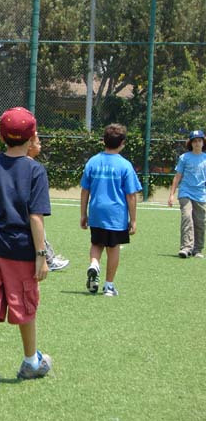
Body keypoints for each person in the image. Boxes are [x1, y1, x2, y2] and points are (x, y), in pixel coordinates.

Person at [0, 107, 52, 389]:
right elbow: (35, 217)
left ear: (1, 136)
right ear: (32, 138)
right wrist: (41, 255)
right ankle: (31, 362)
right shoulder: (35, 170)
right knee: (25, 302)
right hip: (20, 248)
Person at [81, 123, 141, 297]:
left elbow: (85, 190)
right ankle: (108, 286)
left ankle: (94, 264)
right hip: (116, 214)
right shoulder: (125, 165)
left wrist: (83, 214)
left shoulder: (93, 161)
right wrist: (133, 220)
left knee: (96, 243)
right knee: (113, 247)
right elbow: (131, 195)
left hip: (96, 212)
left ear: (103, 141)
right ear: (122, 143)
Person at [27, 133, 69, 272]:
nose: (40, 146)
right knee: (38, 228)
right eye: (38, 143)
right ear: (29, 145)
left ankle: (50, 258)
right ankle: (48, 260)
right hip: (26, 213)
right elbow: (36, 213)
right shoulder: (34, 169)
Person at [167, 129, 206, 259]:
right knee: (187, 217)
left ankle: (197, 249)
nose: (197, 143)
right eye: (194, 141)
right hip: (185, 192)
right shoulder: (184, 158)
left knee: (200, 222)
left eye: (199, 141)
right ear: (190, 143)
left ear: (203, 142)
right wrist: (172, 194)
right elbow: (178, 176)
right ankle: (186, 248)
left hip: (201, 194)